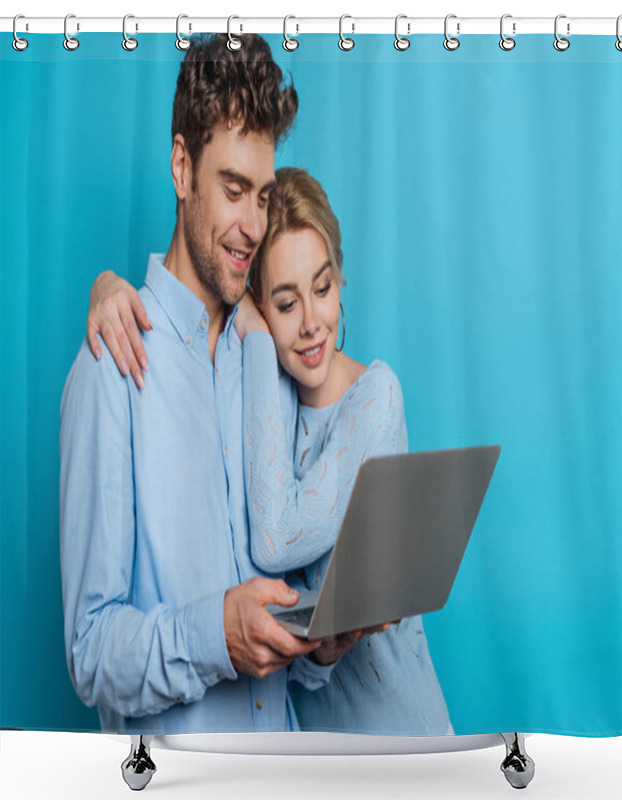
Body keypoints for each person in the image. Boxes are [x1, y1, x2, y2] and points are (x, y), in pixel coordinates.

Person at [60, 34, 359, 736]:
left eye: (262, 195)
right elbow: (89, 651)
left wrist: (321, 648)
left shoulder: (270, 364)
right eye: (232, 190)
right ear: (181, 165)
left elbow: (279, 627)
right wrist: (212, 634)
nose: (253, 226)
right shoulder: (111, 366)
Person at [89, 168, 453, 735]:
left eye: (323, 288)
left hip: (396, 727)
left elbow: (276, 536)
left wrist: (259, 337)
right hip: (307, 747)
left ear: (341, 281)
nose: (312, 324)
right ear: (257, 300)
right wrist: (107, 285)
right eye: (285, 304)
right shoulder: (264, 399)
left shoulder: (376, 399)